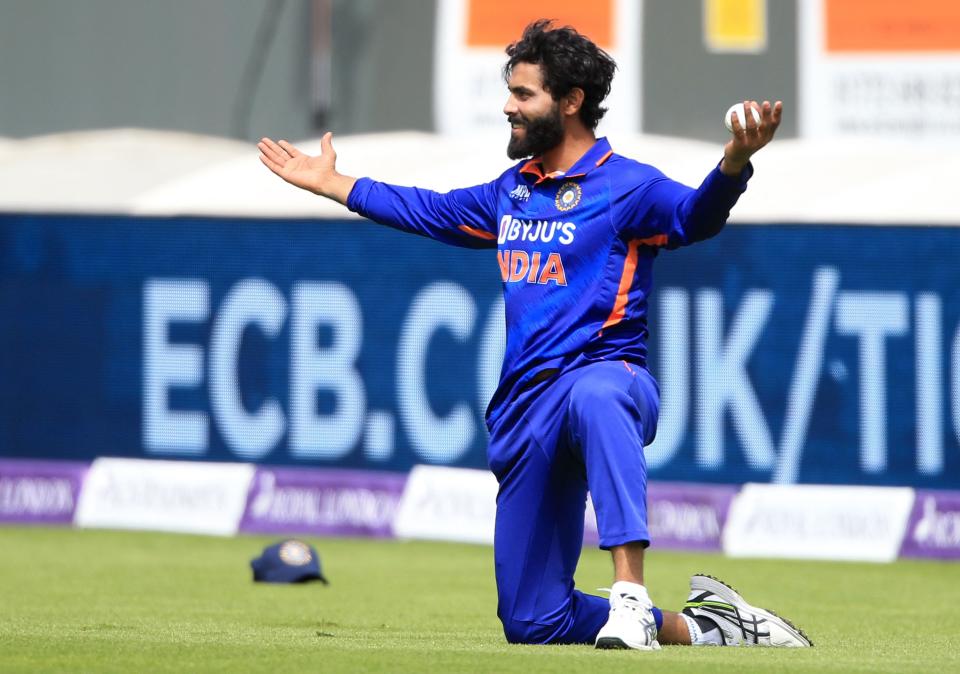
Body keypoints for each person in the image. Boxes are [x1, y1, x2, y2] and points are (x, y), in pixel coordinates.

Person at [258, 19, 811, 651]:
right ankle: (712, 627)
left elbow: (694, 217)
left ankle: (631, 593)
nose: (507, 106)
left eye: (523, 95)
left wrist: (733, 163)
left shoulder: (625, 186)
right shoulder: (511, 193)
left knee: (594, 395)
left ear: (570, 101)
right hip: (526, 413)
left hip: (612, 381)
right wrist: (335, 184)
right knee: (531, 621)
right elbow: (427, 209)